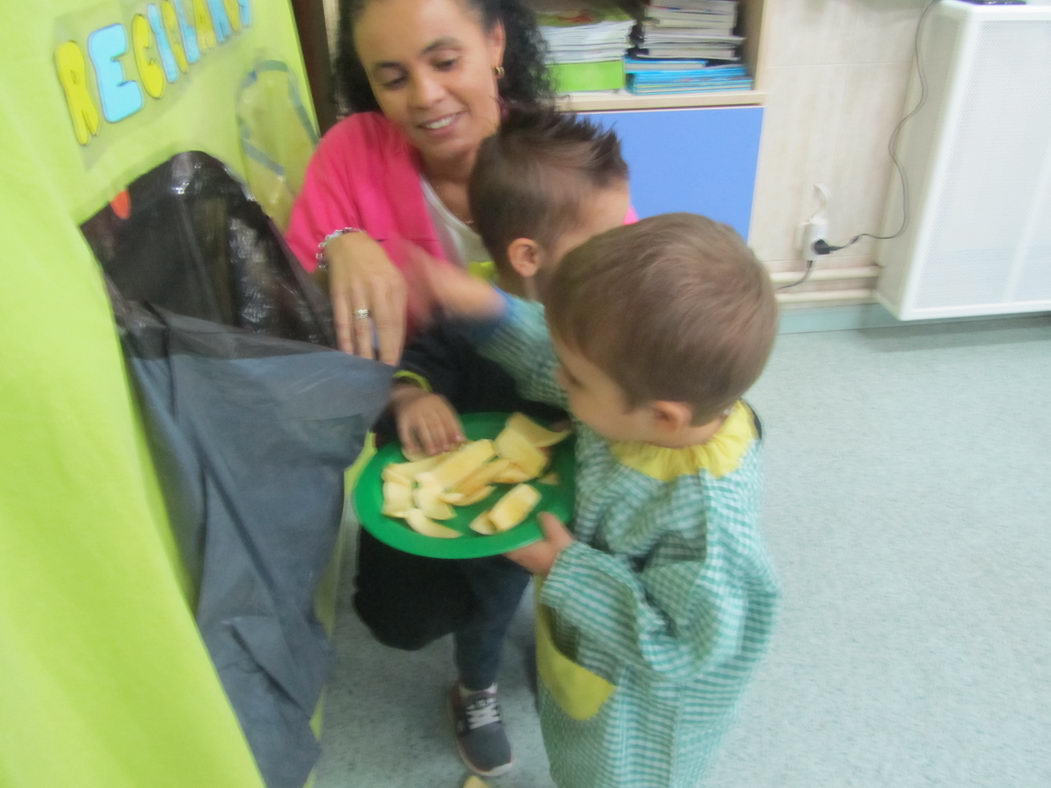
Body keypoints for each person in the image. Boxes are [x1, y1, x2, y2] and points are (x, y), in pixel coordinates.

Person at [416, 213, 781, 786]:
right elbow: (563, 356)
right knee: (573, 747)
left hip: (646, 718)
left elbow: (681, 647)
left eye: (576, 381)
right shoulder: (640, 405)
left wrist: (567, 569)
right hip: (596, 657)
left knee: (605, 776)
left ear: (661, 417)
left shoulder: (708, 522)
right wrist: (491, 311)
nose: (559, 379)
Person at [356, 107, 631, 778]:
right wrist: (411, 396)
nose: (621, 257)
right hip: (495, 524)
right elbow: (415, 362)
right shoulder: (467, 312)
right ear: (528, 257)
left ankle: (554, 651)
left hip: (577, 507)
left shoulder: (606, 318)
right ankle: (474, 688)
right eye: (605, 243)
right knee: (489, 608)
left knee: (566, 594)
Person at [285, 0, 552, 364]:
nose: (426, 96)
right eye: (394, 80)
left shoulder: (565, 162)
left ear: (495, 42)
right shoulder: (350, 153)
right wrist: (338, 248)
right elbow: (291, 316)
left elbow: (621, 327)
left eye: (445, 63)